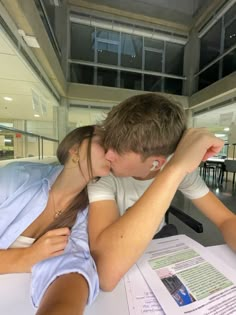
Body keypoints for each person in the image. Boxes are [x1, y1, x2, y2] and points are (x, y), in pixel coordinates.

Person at [87, 93, 236, 292]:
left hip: (157, 247)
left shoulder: (177, 169)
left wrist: (176, 169)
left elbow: (226, 220)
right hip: (117, 252)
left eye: (119, 149)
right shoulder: (103, 173)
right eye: (109, 143)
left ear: (156, 163)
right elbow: (104, 270)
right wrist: (174, 170)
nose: (107, 155)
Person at [0, 125, 111, 315]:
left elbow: (75, 267)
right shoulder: (17, 177)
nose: (112, 151)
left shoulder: (88, 211)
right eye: (104, 142)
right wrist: (26, 258)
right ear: (75, 149)